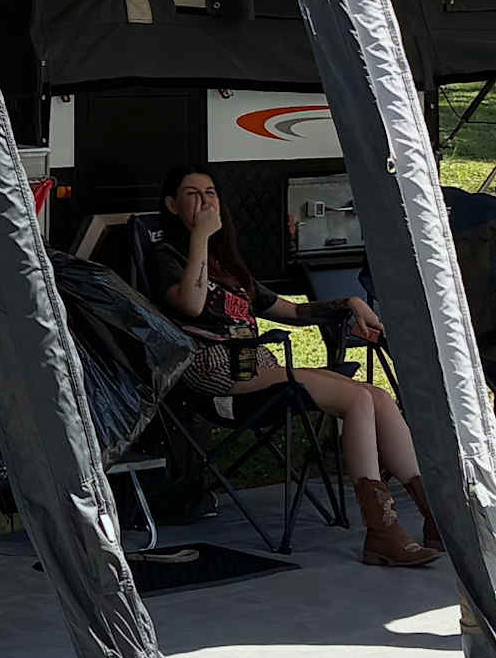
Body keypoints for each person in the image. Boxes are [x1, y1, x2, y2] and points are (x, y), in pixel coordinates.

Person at [146, 168, 441, 568]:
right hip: (215, 379)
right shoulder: (165, 256)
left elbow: (293, 311)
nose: (204, 201)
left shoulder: (229, 265)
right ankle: (381, 531)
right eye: (192, 193)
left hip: (255, 370)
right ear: (171, 204)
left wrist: (347, 304)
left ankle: (435, 516)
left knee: (378, 397)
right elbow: (192, 305)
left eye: (211, 193)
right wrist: (199, 237)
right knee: (356, 399)